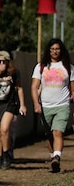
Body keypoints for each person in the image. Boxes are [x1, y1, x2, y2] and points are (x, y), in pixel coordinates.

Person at [31, 39, 74, 173]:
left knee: (58, 132)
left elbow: (73, 88)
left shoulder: (68, 67)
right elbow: (34, 86)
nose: (55, 51)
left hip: (63, 104)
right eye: (52, 49)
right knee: (49, 134)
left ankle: (57, 156)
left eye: (57, 49)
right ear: (48, 51)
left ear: (61, 50)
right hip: (45, 105)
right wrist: (36, 103)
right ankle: (53, 158)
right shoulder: (41, 67)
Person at [0, 50, 26, 169]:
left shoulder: (14, 72)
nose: (1, 63)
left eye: (4, 61)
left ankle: (6, 154)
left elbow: (19, 88)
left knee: (5, 128)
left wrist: (22, 105)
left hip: (9, 103)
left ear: (8, 62)